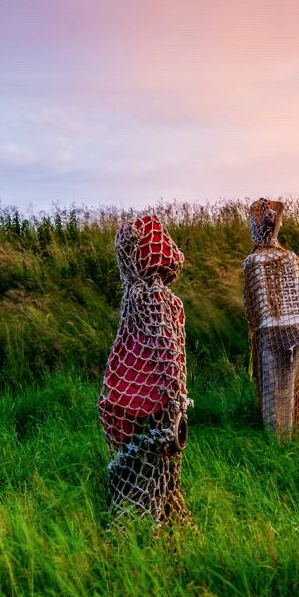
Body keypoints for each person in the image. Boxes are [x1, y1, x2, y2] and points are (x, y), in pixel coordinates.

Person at [100, 214, 191, 524]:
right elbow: (167, 349)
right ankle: (157, 521)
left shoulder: (132, 295)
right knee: (160, 470)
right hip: (156, 399)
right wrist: (177, 400)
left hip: (128, 394)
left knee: (141, 466)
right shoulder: (155, 297)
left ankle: (140, 516)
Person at [241, 198, 299, 438]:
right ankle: (287, 430)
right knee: (290, 383)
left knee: (271, 383)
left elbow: (253, 305)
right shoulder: (290, 257)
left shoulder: (254, 260)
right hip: (298, 324)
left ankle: (275, 435)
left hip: (270, 328)